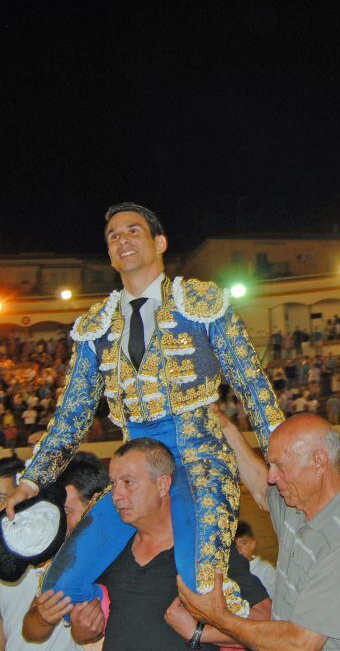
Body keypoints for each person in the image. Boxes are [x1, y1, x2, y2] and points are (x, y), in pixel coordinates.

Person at [4, 203, 284, 616]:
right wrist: (30, 483)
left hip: (198, 460)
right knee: (58, 588)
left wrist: (280, 456)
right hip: (133, 471)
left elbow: (252, 384)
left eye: (133, 231)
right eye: (113, 236)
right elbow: (71, 415)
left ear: (160, 243)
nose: (122, 240)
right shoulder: (96, 326)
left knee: (202, 587)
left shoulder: (201, 303)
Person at [177, 411, 340, 650]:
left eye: (280, 466)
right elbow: (261, 488)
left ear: (318, 462)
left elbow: (301, 643)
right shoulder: (300, 502)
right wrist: (223, 425)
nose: (272, 477)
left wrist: (220, 619)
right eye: (270, 465)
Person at [43, 438, 270, 651]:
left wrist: (199, 631)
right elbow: (72, 626)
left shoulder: (206, 549)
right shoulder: (111, 548)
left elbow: (265, 620)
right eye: (113, 484)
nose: (116, 495)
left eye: (128, 483)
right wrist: (83, 632)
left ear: (162, 485)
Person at [2, 453, 108, 651]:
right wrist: (44, 618)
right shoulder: (56, 556)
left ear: (95, 502)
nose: (60, 524)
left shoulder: (128, 543)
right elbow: (30, 629)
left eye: (67, 512)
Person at [233, 522, 276, 598]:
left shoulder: (266, 570)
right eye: (235, 546)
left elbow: (276, 599)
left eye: (243, 543)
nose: (239, 550)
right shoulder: (229, 571)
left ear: (252, 544)